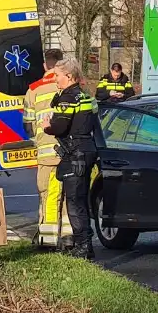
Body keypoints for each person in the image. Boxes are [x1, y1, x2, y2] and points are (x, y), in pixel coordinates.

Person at [42, 58, 98, 259]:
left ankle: (83, 246)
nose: (55, 79)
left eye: (57, 75)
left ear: (68, 76)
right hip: (86, 151)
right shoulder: (86, 96)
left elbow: (60, 127)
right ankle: (84, 243)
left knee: (74, 201)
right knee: (81, 199)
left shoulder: (68, 98)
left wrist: (47, 126)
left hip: (75, 153)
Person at [24, 48, 73, 248]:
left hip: (47, 155)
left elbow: (28, 124)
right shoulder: (70, 87)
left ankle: (48, 240)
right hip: (70, 152)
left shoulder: (34, 89)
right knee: (69, 196)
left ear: (45, 65)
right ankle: (69, 237)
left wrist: (39, 138)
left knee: (48, 195)